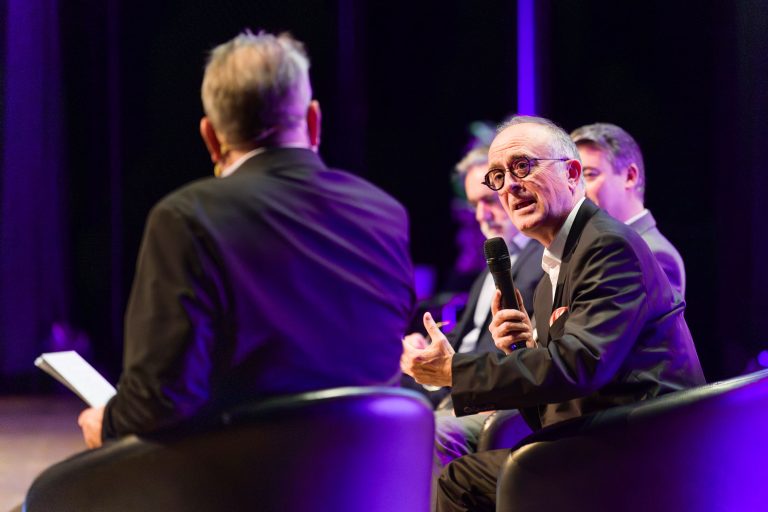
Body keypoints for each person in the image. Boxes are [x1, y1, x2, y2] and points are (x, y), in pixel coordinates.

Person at [77, 30, 415, 447]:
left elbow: (161, 398)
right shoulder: (385, 213)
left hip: (243, 485)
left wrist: (107, 423)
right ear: (313, 120)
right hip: (372, 480)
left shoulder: (187, 217)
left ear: (211, 136)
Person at [401, 115, 705, 512]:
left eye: (522, 166)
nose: (509, 186)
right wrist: (522, 349)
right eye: (497, 177)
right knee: (467, 473)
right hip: (595, 441)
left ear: (572, 173)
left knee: (464, 479)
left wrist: (454, 371)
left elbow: (580, 365)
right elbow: (551, 405)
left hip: (643, 453)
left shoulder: (609, 247)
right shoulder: (553, 269)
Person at [571, 122, 686, 296]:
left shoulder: (655, 254)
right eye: (573, 177)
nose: (578, 189)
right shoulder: (586, 245)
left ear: (630, 176)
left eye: (589, 175)